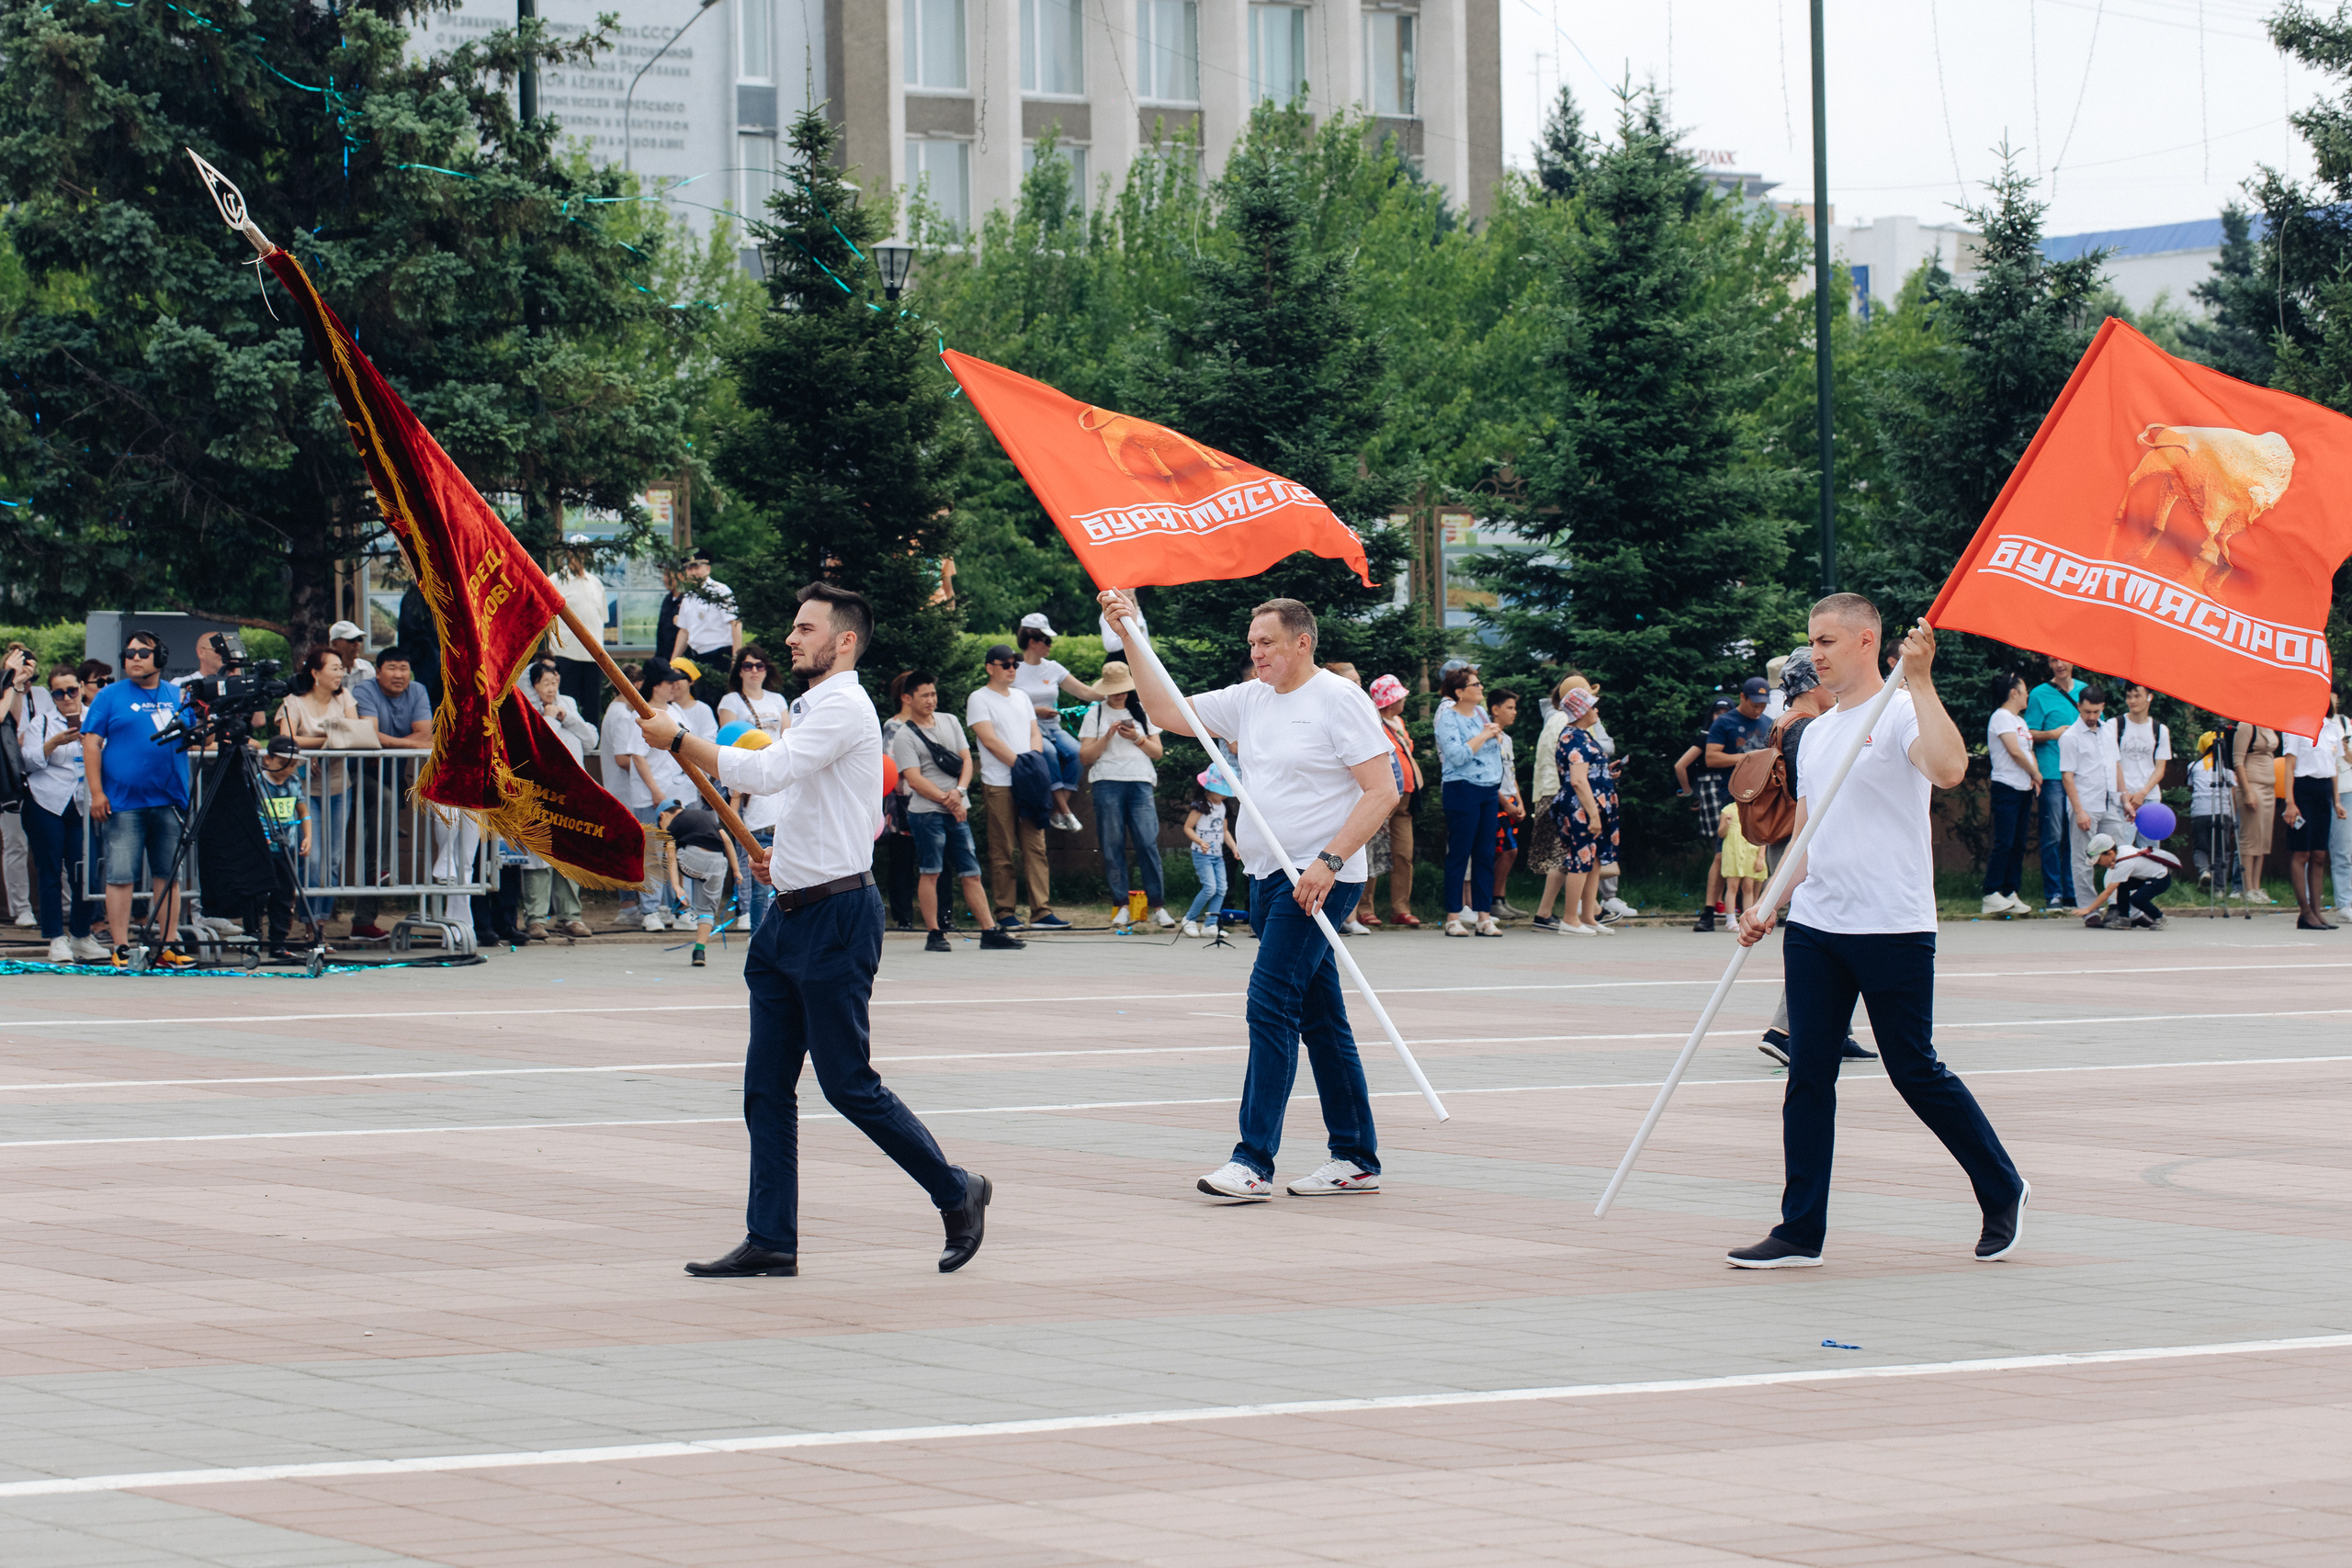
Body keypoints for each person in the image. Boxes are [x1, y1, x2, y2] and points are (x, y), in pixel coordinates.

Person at [639, 581, 992, 1279]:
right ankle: (771, 1237)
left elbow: (770, 771)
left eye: (806, 628)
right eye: (795, 627)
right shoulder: (812, 706)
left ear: (845, 641)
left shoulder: (845, 705)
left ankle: (957, 1191)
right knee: (765, 1086)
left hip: (836, 919)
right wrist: (783, 862)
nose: (793, 638)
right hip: (792, 913)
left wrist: (680, 738)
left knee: (847, 1083)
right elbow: (815, 801)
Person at [1729, 594, 2028, 1269]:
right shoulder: (1816, 733)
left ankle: (2002, 1183)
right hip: (1818, 925)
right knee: (1807, 1073)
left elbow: (1950, 769)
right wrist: (1769, 901)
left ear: (1868, 641)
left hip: (1891, 923)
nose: (1816, 654)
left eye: (1828, 640)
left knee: (1912, 1070)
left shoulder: (1899, 712)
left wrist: (1920, 680)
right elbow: (1805, 836)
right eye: (1811, 641)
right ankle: (1799, 1229)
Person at [1104, 589, 1399, 1201]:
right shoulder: (1249, 700)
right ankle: (1355, 1155)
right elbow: (1163, 709)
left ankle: (1252, 1159)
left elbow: (1382, 790)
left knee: (1269, 1006)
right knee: (1322, 1018)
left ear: (1302, 642)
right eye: (1251, 643)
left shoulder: (1338, 700)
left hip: (1317, 883)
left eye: (1266, 642)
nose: (1256, 652)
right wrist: (1131, 632)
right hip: (1268, 878)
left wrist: (1330, 859)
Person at [80, 630, 197, 966]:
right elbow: (91, 744)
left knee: (168, 875)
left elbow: (191, 736)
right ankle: (121, 947)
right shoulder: (109, 696)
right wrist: (97, 792)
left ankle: (169, 944)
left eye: (142, 653)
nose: (133, 658)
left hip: (169, 799)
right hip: (123, 801)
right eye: (128, 653)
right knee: (121, 875)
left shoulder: (177, 695)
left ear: (160, 658)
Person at [888, 671, 1023, 953]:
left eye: (933, 694)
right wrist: (947, 800)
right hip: (926, 812)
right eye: (924, 695)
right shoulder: (903, 735)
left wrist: (959, 793)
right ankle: (934, 933)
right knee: (930, 872)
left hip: (957, 808)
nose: (931, 700)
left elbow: (966, 760)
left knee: (971, 872)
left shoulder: (950, 720)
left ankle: (989, 931)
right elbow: (913, 778)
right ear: (907, 698)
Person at [967, 642, 1066, 931]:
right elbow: (989, 739)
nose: (1012, 669)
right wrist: (1023, 766)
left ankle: (1041, 911)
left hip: (1028, 781)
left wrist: (1032, 761)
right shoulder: (979, 698)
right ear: (990, 668)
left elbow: (1035, 733)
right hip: (999, 782)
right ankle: (1005, 912)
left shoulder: (1022, 697)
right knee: (1003, 848)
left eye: (1015, 664)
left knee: (1036, 846)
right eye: (1006, 664)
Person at [1078, 661, 1173, 931]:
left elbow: (1158, 752)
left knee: (1147, 842)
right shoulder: (1095, 714)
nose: (1119, 694)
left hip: (1140, 781)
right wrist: (1107, 736)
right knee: (1112, 845)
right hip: (1107, 782)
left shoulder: (1142, 712)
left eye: (1122, 689)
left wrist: (1136, 738)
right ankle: (1120, 905)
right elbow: (1085, 757)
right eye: (1114, 690)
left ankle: (1158, 906)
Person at [347, 646, 435, 939]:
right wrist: (411, 744)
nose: (399, 675)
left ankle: (362, 921)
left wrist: (390, 744)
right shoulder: (364, 691)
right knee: (362, 849)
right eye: (392, 668)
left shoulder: (418, 691)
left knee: (374, 842)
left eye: (404, 668)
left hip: (391, 777)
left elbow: (428, 736)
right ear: (378, 672)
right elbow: (369, 737)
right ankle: (380, 872)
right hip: (355, 774)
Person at [20, 663, 105, 962]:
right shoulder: (42, 721)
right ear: (53, 695)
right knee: (50, 871)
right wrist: (54, 742)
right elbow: (27, 760)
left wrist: (95, 746)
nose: (67, 697)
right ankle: (56, 937)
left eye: (71, 690)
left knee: (87, 873)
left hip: (84, 803)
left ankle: (81, 935)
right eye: (59, 693)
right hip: (47, 801)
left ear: (81, 687)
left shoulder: (96, 718)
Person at [277, 647, 365, 923]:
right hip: (304, 790)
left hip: (340, 787)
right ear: (315, 672)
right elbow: (287, 739)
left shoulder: (345, 697)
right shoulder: (293, 701)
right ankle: (307, 921)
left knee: (334, 859)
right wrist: (327, 743)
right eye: (334, 668)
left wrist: (317, 747)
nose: (340, 673)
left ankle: (322, 924)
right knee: (312, 857)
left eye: (341, 668)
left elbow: (356, 734)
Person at [519, 660, 598, 940]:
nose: (552, 688)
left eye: (555, 682)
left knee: (570, 856)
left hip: (572, 795)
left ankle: (570, 916)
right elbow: (540, 744)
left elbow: (591, 740)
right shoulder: (525, 708)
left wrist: (567, 717)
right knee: (538, 858)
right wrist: (550, 717)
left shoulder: (568, 704)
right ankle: (536, 919)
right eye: (545, 683)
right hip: (539, 796)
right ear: (533, 685)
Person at [1692, 677, 1773, 932]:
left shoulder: (1769, 723)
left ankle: (1761, 908)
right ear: (1742, 697)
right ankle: (1708, 911)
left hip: (1762, 795)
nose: (1758, 709)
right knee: (1721, 855)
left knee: (1761, 853)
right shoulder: (1725, 722)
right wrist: (1746, 758)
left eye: (1763, 704)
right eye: (1754, 703)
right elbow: (1711, 757)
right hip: (1732, 796)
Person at [1012, 615, 1106, 832]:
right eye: (1046, 640)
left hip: (1053, 727)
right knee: (1050, 754)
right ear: (1032, 642)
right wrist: (1036, 711)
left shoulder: (1053, 668)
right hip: (1028, 729)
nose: (1050, 645)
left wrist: (1113, 695)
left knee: (1077, 753)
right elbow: (1007, 703)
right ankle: (1065, 811)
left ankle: (1056, 810)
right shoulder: (1014, 668)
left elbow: (1083, 690)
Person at [1541, 686, 1618, 935]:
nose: (1596, 709)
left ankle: (1588, 916)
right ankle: (1570, 918)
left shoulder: (1583, 735)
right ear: (1581, 711)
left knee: (1593, 860)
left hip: (1589, 806)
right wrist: (1594, 814)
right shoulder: (1573, 737)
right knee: (1581, 858)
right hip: (1580, 808)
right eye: (1592, 706)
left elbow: (1588, 771)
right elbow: (1578, 780)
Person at [1435, 664, 1505, 938]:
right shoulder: (1447, 718)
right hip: (1462, 788)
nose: (1481, 688)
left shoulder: (1480, 712)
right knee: (1460, 853)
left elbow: (1489, 747)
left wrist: (1494, 736)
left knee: (1486, 854)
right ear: (1460, 691)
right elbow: (1458, 756)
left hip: (1488, 788)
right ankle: (1453, 917)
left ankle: (1483, 917)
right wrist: (1486, 735)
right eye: (1475, 685)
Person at [2025, 658, 2086, 908]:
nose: (2059, 664)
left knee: (2076, 835)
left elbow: (2098, 726)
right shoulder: (2040, 694)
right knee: (2053, 835)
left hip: (2082, 774)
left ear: (2073, 662)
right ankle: (2054, 893)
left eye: (2063, 660)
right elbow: (2028, 733)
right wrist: (2051, 734)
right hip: (2052, 773)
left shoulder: (2085, 690)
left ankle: (2074, 892)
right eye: (2053, 660)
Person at [2060, 687, 2129, 912]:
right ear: (2079, 707)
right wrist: (2079, 810)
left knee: (2121, 853)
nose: (2091, 717)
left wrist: (2125, 798)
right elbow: (2067, 777)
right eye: (2087, 711)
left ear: (2103, 708)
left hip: (2109, 801)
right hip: (2085, 802)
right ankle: (2088, 909)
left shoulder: (2109, 730)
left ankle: (2119, 903)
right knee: (2083, 858)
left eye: (2096, 712)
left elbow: (2116, 765)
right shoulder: (2070, 736)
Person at [2280, 706, 2347, 931]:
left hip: (2323, 790)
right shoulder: (2296, 724)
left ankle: (2317, 911)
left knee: (2319, 854)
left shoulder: (2332, 727)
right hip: (2303, 789)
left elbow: (2334, 767)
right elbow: (2289, 766)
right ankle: (2305, 912)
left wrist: (2336, 801)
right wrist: (2290, 803)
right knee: (2302, 852)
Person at [599, 664, 653, 929]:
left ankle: (630, 904)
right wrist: (650, 771)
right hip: (625, 792)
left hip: (620, 791)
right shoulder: (622, 715)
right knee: (630, 849)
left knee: (629, 849)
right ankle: (629, 905)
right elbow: (623, 758)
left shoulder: (615, 711)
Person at [1367, 673, 1422, 926]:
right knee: (1372, 849)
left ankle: (1401, 907)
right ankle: (1364, 907)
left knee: (1404, 853)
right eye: (1400, 697)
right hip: (1385, 796)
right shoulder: (1373, 723)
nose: (1404, 700)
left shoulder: (1398, 721)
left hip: (1406, 796)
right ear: (1390, 702)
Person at [251, 735, 311, 959]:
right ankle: (253, 940)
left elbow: (303, 812)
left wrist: (308, 837)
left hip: (287, 848)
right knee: (257, 896)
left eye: (294, 764)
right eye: (284, 762)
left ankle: (278, 942)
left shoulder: (294, 783)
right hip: (262, 850)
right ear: (268, 759)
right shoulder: (257, 782)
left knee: (285, 895)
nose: (289, 768)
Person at [656, 796, 735, 965]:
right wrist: (737, 871)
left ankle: (681, 899)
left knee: (673, 850)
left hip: (692, 862)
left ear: (662, 816)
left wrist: (677, 886)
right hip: (718, 864)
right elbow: (727, 841)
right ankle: (699, 951)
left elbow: (671, 857)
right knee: (707, 909)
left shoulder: (673, 825)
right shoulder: (706, 816)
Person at [1983, 672, 2038, 915]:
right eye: (2024, 690)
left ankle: (2009, 890)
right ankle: (1991, 893)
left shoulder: (2020, 721)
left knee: (2018, 843)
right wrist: (2036, 774)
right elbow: (2015, 752)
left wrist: (2033, 776)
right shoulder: (2001, 717)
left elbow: (2028, 749)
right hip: (2007, 786)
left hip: (2024, 787)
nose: (2027, 694)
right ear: (2013, 692)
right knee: (2004, 842)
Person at [547, 535, 610, 716]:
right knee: (567, 706)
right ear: (568, 552)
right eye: (577, 551)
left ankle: (591, 744)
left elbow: (601, 619)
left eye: (585, 551)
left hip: (593, 657)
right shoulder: (556, 581)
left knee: (592, 708)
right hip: (567, 655)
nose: (581, 556)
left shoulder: (596, 584)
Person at [672, 550, 743, 706]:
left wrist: (735, 659)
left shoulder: (721, 591)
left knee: (719, 702)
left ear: (708, 568)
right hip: (697, 658)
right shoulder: (689, 596)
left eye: (697, 566)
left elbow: (735, 624)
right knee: (700, 701)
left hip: (720, 656)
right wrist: (673, 662)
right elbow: (684, 631)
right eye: (689, 568)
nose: (693, 571)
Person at [2077, 832, 2183, 930]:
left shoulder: (2124, 864)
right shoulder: (2121, 850)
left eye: (2099, 860)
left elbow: (2107, 892)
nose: (2099, 863)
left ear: (2110, 853)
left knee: (2137, 899)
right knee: (2123, 886)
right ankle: (2124, 919)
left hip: (2161, 879)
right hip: (2148, 876)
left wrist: (2089, 909)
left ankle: (2160, 918)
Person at [1486, 689, 1529, 919]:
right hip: (1498, 800)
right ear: (1495, 710)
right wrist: (1505, 803)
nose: (1514, 712)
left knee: (1509, 850)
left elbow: (1510, 774)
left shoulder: (1508, 740)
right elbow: (1491, 775)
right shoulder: (1489, 737)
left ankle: (1501, 898)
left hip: (1511, 801)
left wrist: (1519, 802)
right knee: (1507, 850)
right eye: (1510, 708)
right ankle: (1493, 900)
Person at [2112, 682, 2173, 845]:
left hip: (2149, 797)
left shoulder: (2159, 730)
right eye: (2129, 696)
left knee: (2150, 851)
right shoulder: (2115, 725)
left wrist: (2143, 793)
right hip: (2123, 798)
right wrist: (2126, 795)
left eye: (2137, 695)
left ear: (2149, 697)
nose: (2132, 700)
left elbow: (2160, 769)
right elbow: (2112, 763)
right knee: (2122, 850)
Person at [2188, 727, 2241, 898]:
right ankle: (2219, 889)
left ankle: (2204, 871)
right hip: (2222, 812)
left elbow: (2191, 785)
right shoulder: (2227, 769)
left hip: (2200, 813)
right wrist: (2233, 816)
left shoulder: (2193, 766)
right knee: (2221, 851)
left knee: (2200, 848)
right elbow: (2233, 793)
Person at [1182, 768, 1235, 937]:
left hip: (1218, 855)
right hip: (1202, 854)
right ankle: (1189, 919)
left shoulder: (1223, 807)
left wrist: (1234, 847)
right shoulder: (1200, 806)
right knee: (1210, 888)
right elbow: (1188, 828)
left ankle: (1210, 925)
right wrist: (1200, 841)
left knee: (1222, 889)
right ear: (1210, 789)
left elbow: (1225, 831)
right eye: (1221, 792)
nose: (1224, 795)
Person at [2233, 720, 2282, 905]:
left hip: (2269, 785)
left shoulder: (2269, 725)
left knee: (2263, 839)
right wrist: (2247, 791)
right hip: (2252, 785)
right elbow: (2238, 760)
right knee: (2250, 837)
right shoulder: (2246, 726)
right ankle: (2247, 888)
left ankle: (2257, 884)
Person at [325, 620, 375, 686]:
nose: (357, 644)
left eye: (359, 639)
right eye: (351, 640)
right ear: (334, 643)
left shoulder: (367, 669)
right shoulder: (325, 671)